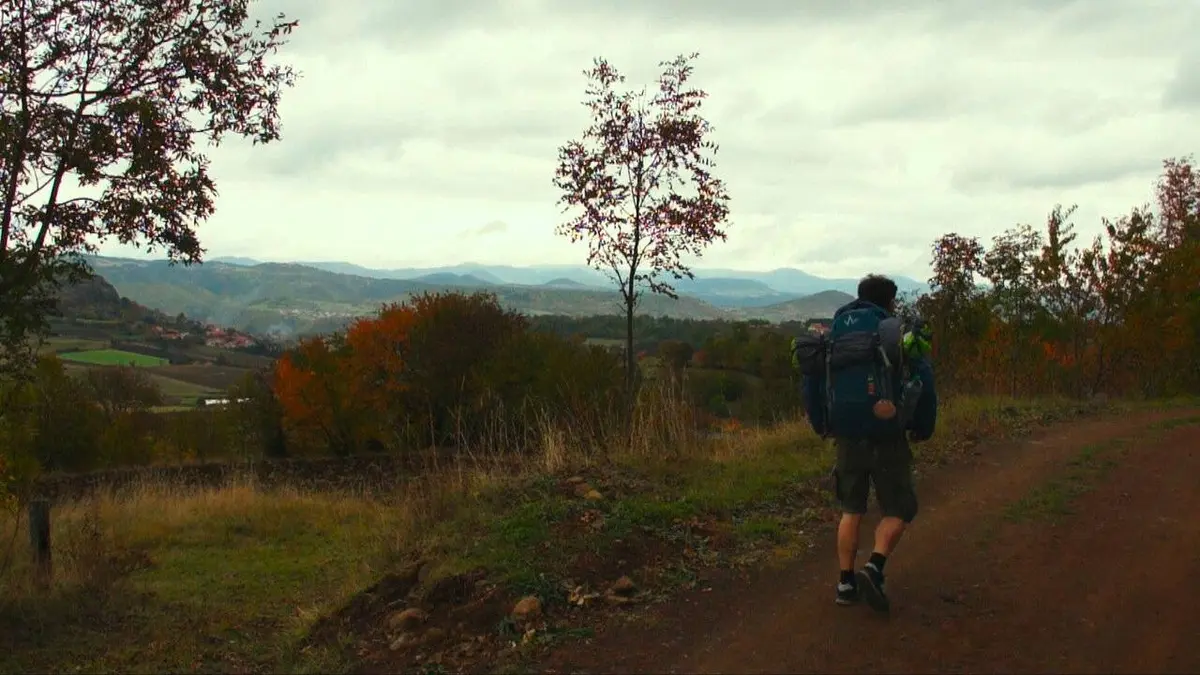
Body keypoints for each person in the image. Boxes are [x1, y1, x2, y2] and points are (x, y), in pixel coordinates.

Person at [801, 274, 938, 613]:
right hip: (887, 433)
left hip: (846, 435)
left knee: (851, 510)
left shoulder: (835, 335)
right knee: (899, 508)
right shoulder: (893, 334)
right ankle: (874, 567)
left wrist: (822, 425)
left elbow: (813, 384)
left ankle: (845, 583)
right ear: (888, 302)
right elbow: (924, 381)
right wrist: (923, 426)